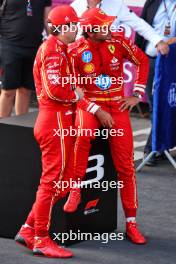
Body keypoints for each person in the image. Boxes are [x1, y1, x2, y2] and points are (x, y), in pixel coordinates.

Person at [64, 7, 149, 245]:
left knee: (126, 166)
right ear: (90, 31)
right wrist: (96, 110)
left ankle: (131, 223)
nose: (109, 28)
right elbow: (73, 90)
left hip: (117, 106)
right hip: (89, 105)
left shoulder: (119, 41)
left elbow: (142, 61)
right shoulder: (74, 51)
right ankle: (75, 188)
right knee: (83, 134)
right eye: (103, 26)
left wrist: (137, 94)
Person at [15, 5, 84, 258]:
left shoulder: (61, 48)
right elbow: (56, 90)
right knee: (51, 182)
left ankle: (28, 228)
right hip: (54, 121)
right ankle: (41, 239)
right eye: (74, 24)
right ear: (63, 26)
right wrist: (76, 93)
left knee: (62, 184)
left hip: (58, 121)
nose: (77, 28)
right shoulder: (53, 51)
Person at [135, 0, 176, 166]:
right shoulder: (153, 1)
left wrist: (169, 42)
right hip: (150, 59)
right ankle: (156, 148)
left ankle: (155, 148)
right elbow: (142, 24)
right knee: (155, 104)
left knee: (167, 104)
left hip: (172, 61)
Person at [0, 0, 51, 117]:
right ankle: (3, 131)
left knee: (25, 90)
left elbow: (47, 18)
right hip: (9, 45)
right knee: (8, 91)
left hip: (34, 46)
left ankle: (19, 130)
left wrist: (54, 41)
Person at [71, 0, 169, 55]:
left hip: (107, 62)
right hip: (80, 60)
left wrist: (158, 41)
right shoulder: (75, 6)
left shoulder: (116, 4)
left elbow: (138, 23)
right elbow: (64, 37)